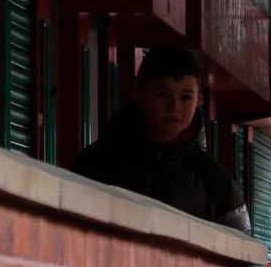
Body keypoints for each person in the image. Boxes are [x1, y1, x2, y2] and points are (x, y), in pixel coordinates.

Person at [69, 44, 248, 229]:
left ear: (198, 101)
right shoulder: (95, 165)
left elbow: (242, 250)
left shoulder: (215, 182)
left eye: (186, 97)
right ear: (138, 95)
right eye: (163, 95)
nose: (174, 107)